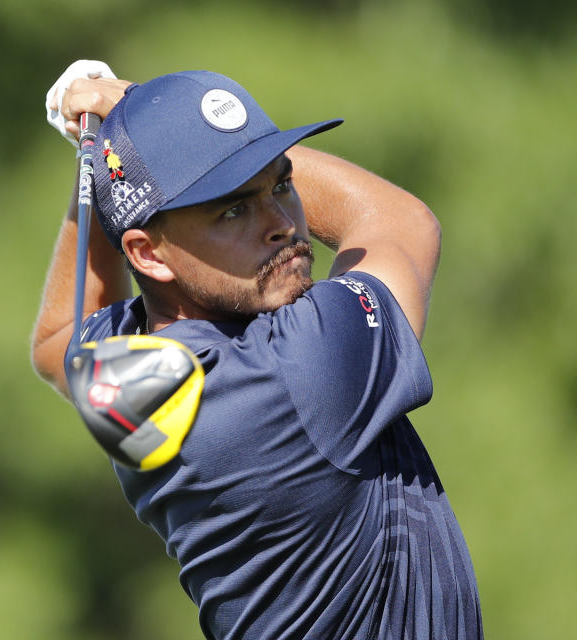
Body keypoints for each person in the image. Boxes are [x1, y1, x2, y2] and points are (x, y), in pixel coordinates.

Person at [32, 65, 483, 640]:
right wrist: (128, 108)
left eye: (281, 184)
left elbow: (56, 341)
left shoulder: (127, 361)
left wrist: (107, 155)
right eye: (233, 209)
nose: (281, 225)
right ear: (148, 255)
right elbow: (399, 222)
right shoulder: (294, 373)